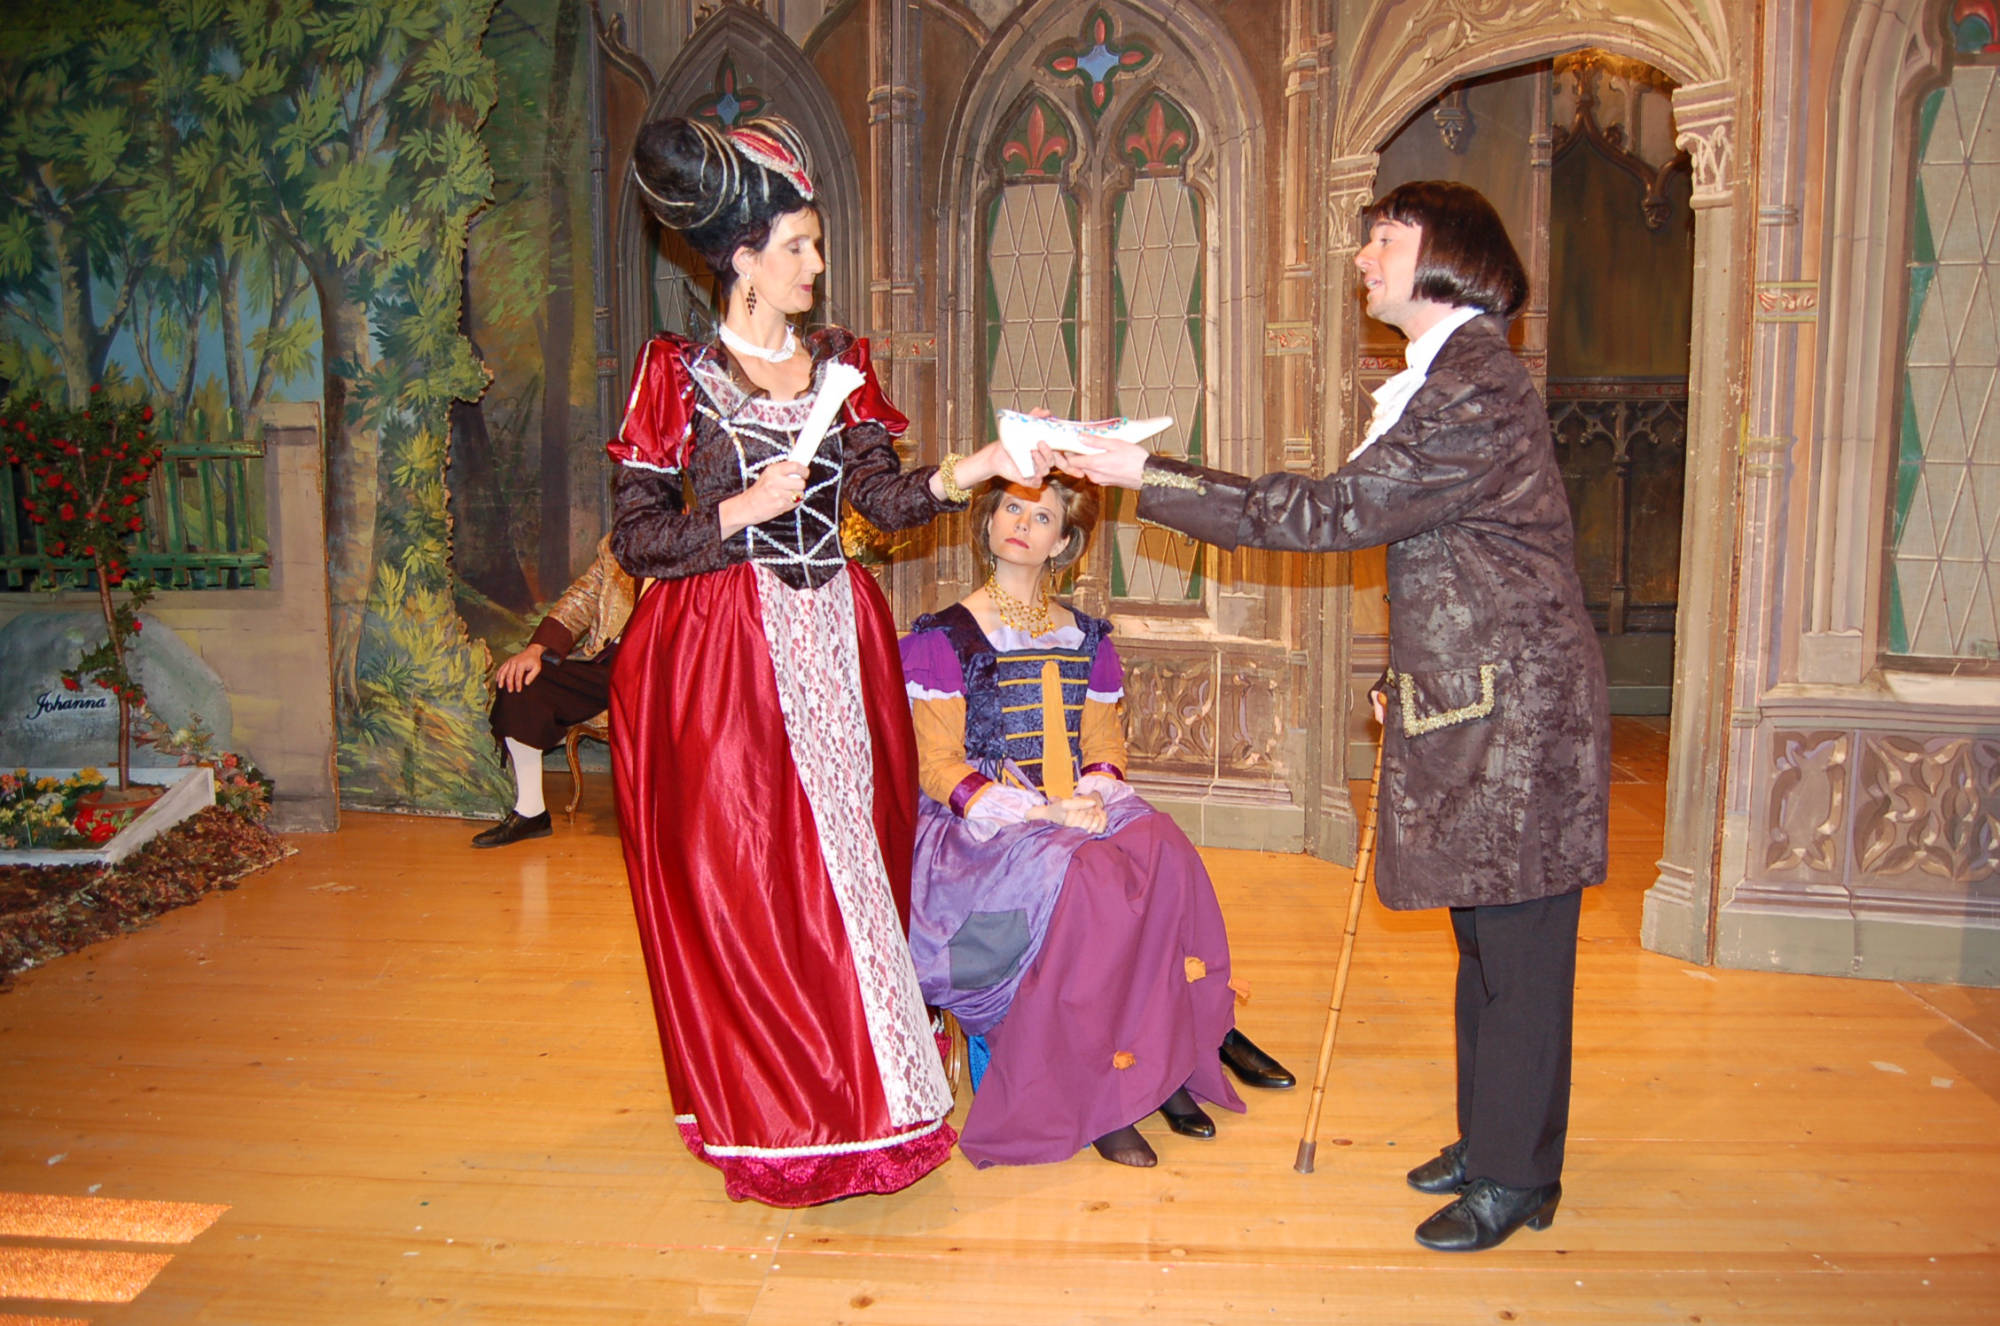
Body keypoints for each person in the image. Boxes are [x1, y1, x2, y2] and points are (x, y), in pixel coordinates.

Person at [1062, 180, 1610, 1250]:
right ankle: (1495, 1143)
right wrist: (1417, 669)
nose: (1364, 258)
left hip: (1523, 720)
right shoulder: (1448, 376)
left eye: (1385, 239)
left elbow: (1335, 512)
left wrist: (1147, 474)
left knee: (1519, 951)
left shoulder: (1476, 384)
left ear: (1448, 253)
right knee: (1486, 939)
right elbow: (1456, 558)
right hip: (1484, 699)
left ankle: (1517, 1176)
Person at [605, 114, 1053, 1206]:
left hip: (835, 639)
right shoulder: (675, 373)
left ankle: (873, 1094)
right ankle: (776, 1108)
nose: (814, 265)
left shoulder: (841, 366)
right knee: (750, 876)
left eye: (814, 245)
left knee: (850, 862)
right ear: (742, 259)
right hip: (721, 654)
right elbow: (636, 537)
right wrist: (736, 511)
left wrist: (983, 463)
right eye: (796, 246)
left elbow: (886, 503)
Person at [899, 475, 1295, 1169]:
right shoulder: (945, 637)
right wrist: (1041, 811)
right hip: (981, 824)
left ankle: (1187, 1046)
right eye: (1011, 508)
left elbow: (1104, 743)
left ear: (1064, 542)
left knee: (1163, 846)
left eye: (1041, 516)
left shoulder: (1085, 637)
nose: (1021, 524)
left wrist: (1090, 793)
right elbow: (936, 765)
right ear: (987, 523)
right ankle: (1103, 1088)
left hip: (1070, 803)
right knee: (1087, 875)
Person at [472, 536, 636, 848]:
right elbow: (582, 598)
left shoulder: (698, 538)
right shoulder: (616, 544)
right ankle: (531, 811)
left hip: (664, 671)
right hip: (607, 666)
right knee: (523, 682)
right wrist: (536, 649)